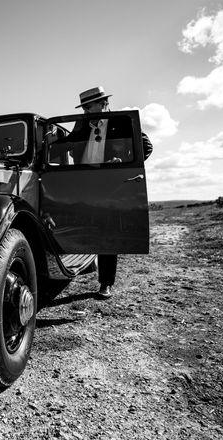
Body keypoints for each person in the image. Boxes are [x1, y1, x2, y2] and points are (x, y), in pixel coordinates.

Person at [73, 86, 153, 298]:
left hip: (110, 182)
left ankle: (105, 283)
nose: (86, 111)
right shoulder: (80, 123)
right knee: (82, 227)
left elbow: (146, 146)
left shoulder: (122, 121)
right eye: (84, 108)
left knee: (106, 232)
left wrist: (126, 164)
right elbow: (70, 146)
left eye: (89, 106)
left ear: (103, 103)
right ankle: (82, 266)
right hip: (84, 181)